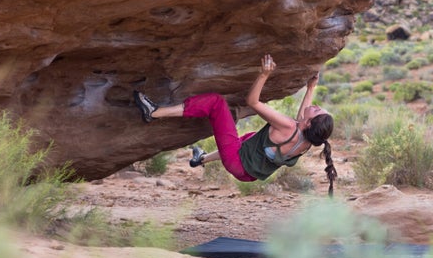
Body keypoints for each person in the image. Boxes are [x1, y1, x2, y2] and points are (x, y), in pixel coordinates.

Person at [133, 55, 337, 195]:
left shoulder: (287, 126)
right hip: (249, 174)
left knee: (216, 103)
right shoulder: (308, 140)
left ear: (309, 123)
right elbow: (302, 116)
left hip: (236, 161)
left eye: (318, 110)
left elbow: (253, 102)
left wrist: (264, 74)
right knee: (251, 137)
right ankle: (201, 159)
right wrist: (311, 88)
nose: (316, 106)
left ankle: (155, 112)